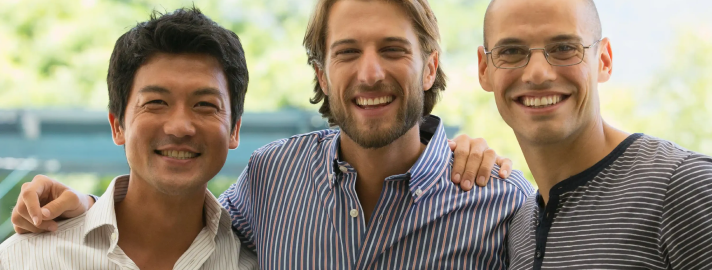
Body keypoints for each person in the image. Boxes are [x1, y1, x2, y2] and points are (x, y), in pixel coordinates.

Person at [10, 0, 534, 269]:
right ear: (321, 75)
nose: (370, 73)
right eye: (347, 52)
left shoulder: (503, 204)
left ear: (429, 67)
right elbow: (173, 211)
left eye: (393, 50)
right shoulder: (274, 177)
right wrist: (89, 204)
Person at [0, 8, 258, 270]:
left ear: (234, 129)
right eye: (156, 102)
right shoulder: (26, 260)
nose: (180, 127)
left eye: (204, 104)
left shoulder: (256, 261)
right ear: (117, 126)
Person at [477, 0, 712, 269]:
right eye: (511, 51)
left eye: (564, 48)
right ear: (484, 70)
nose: (538, 74)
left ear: (604, 60)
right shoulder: (518, 228)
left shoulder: (683, 187)